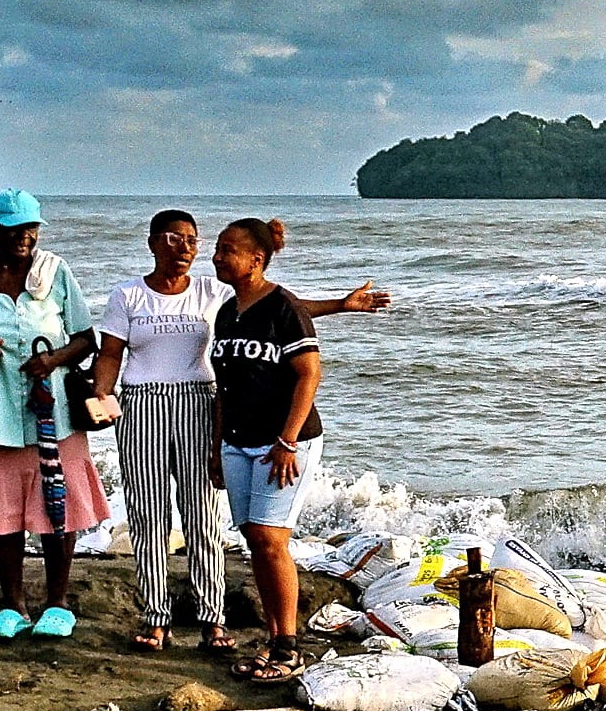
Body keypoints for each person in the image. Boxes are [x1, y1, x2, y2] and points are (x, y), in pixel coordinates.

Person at [89, 208, 389, 657]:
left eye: (195, 240)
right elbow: (111, 352)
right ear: (152, 242)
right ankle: (157, 618)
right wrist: (101, 396)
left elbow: (282, 309)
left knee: (202, 516)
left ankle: (213, 619)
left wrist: (341, 305)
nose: (190, 248)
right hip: (144, 403)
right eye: (175, 238)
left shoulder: (214, 293)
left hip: (201, 401)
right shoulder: (131, 295)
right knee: (149, 516)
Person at [0, 187, 103, 642]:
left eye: (31, 229)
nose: (25, 238)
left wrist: (53, 360)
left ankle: (58, 603)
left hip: (57, 415)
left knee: (58, 509)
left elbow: (87, 338)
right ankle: (13, 605)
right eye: (14, 230)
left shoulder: (56, 272)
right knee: (3, 514)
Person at [208, 216, 329, 680]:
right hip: (238, 441)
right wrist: (217, 448)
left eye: (227, 250)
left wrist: (287, 440)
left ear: (256, 259)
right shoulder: (227, 311)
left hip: (285, 442)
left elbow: (308, 375)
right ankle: (273, 637)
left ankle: (288, 647)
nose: (218, 258)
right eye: (217, 250)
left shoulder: (285, 308)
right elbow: (223, 388)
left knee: (272, 538)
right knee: (254, 540)